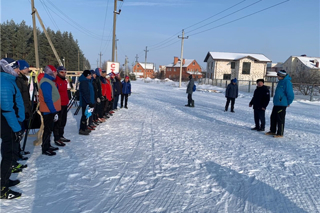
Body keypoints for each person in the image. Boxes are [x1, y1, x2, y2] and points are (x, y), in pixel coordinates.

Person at [0, 58, 25, 199]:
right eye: (16, 68)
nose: (18, 70)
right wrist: (16, 129)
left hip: (12, 122)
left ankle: (5, 179)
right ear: (8, 68)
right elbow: (7, 109)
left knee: (9, 154)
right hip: (9, 124)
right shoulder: (4, 82)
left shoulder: (9, 80)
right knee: (8, 154)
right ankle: (2, 188)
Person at [39, 65, 61, 156]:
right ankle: (45, 148)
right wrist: (53, 111)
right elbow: (47, 98)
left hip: (51, 110)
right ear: (51, 72)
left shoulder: (49, 81)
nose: (56, 73)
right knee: (47, 130)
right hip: (48, 111)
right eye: (55, 71)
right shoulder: (46, 82)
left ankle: (48, 145)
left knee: (49, 129)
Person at [266, 70, 294, 138]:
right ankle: (272, 130)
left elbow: (290, 94)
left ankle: (280, 133)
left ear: (281, 76)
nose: (277, 76)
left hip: (282, 104)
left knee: (280, 119)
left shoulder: (287, 82)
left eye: (278, 75)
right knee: (273, 117)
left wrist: (288, 102)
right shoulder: (280, 82)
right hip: (276, 103)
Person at [15, 60, 31, 160]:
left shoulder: (23, 79)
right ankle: (16, 153)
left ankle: (19, 150)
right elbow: (19, 97)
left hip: (24, 108)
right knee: (18, 133)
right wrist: (24, 110)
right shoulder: (18, 80)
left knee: (22, 131)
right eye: (26, 68)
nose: (28, 69)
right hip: (20, 110)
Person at [53, 66, 70, 146]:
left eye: (65, 72)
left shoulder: (64, 81)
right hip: (58, 104)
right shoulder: (56, 80)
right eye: (62, 72)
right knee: (57, 122)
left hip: (64, 103)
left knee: (63, 121)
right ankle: (56, 138)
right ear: (58, 72)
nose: (64, 73)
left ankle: (61, 135)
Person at [79, 70, 95, 135]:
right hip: (85, 102)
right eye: (90, 75)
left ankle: (85, 127)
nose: (91, 76)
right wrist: (88, 102)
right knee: (84, 115)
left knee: (86, 115)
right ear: (87, 75)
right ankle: (82, 129)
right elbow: (85, 93)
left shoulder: (88, 81)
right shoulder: (84, 82)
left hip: (88, 102)